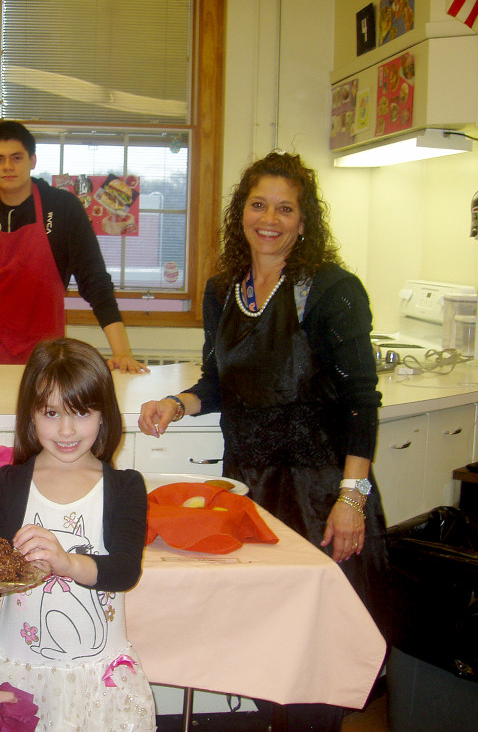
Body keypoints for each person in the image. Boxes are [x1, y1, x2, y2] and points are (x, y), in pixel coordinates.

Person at [137, 152, 389, 730]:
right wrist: (177, 405)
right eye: (258, 204)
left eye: (285, 208)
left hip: (319, 492)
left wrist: (353, 498)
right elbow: (218, 381)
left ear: (304, 222)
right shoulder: (224, 288)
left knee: (317, 656)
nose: (269, 218)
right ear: (240, 213)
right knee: (264, 644)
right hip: (249, 491)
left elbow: (362, 401)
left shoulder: (332, 291)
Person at [0, 338, 154, 732]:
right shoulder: (6, 486)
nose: (66, 429)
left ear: (103, 415)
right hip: (18, 678)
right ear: (30, 414)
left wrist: (66, 562)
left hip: (100, 686)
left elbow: (125, 570)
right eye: (51, 412)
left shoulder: (126, 487)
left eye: (81, 412)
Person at [0, 120, 147, 373]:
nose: (8, 166)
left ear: (32, 160)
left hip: (44, 357)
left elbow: (95, 281)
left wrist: (122, 353)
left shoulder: (64, 209)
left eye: (16, 158)